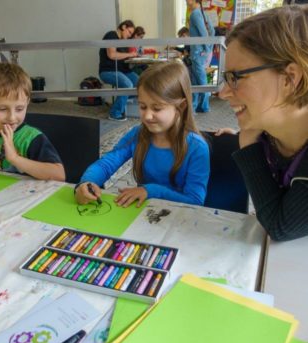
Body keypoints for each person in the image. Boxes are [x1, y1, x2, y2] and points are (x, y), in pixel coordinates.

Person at [219, 5, 308, 241]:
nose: (223, 93)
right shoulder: (268, 134)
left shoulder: (254, 137)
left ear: (290, 78)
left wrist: (248, 146)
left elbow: (280, 226)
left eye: (236, 77)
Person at [75, 61, 210, 207]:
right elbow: (107, 164)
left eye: (157, 108)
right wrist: (87, 182)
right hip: (141, 214)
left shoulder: (197, 148)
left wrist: (151, 191)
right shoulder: (137, 134)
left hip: (177, 220)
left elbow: (195, 202)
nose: (147, 116)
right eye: (142, 106)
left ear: (181, 107)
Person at [0, 62, 65, 181]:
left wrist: (15, 158)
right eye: (2, 109)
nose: (12, 117)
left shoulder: (31, 138)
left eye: (19, 109)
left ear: (27, 103)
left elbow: (59, 175)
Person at [99, 20, 139, 121]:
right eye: (129, 32)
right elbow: (111, 55)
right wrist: (130, 55)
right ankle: (115, 113)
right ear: (123, 27)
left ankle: (123, 102)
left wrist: (133, 57)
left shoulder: (122, 41)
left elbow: (122, 57)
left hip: (121, 70)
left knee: (140, 82)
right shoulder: (111, 35)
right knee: (127, 85)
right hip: (108, 71)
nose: (129, 36)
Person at [187, 0, 215, 113]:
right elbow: (212, 31)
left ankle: (203, 107)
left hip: (198, 53)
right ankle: (195, 106)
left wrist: (207, 50)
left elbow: (204, 33)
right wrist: (208, 49)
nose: (186, 1)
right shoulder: (203, 13)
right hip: (199, 53)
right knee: (195, 81)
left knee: (201, 81)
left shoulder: (195, 14)